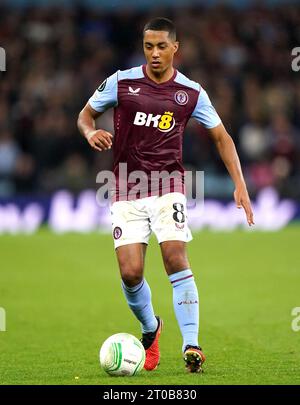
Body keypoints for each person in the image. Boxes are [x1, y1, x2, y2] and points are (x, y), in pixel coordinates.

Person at [77, 17, 254, 373]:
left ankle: (191, 343)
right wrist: (89, 132)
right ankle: (150, 329)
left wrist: (241, 185)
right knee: (130, 273)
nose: (155, 53)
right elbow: (84, 116)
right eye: (148, 46)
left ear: (175, 48)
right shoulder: (121, 82)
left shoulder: (191, 93)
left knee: (175, 256)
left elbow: (222, 137)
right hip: (126, 187)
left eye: (161, 46)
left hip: (168, 186)